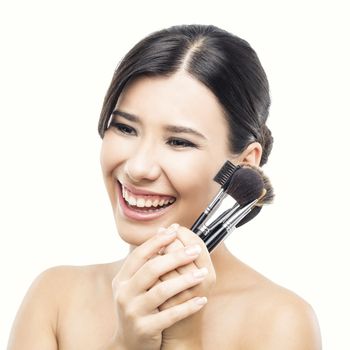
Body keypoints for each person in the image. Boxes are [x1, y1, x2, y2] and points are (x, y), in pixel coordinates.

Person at [8, 24, 322, 349]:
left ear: (244, 164)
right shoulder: (56, 300)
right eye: (126, 128)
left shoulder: (281, 322)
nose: (137, 167)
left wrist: (183, 340)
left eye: (178, 141)